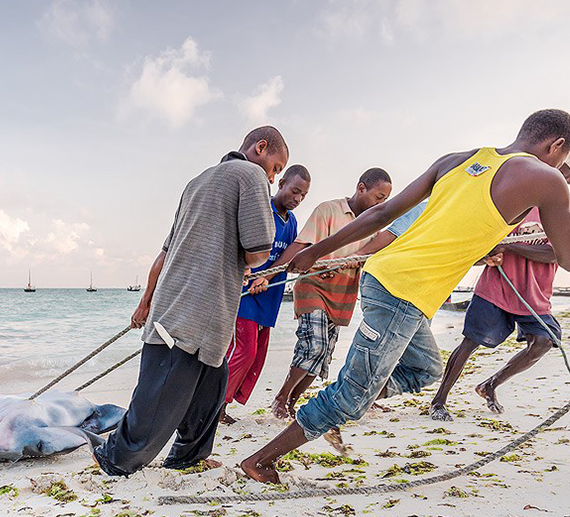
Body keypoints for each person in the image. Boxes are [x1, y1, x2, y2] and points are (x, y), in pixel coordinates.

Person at [240, 109, 570, 484]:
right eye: (561, 159)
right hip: (403, 292)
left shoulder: (459, 160)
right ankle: (261, 460)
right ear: (557, 146)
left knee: (426, 368)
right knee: (351, 398)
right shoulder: (548, 180)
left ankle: (343, 397)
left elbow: (384, 213)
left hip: (385, 279)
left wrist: (315, 250)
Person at [94, 126, 289, 476]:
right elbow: (258, 249)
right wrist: (250, 265)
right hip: (192, 311)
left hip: (191, 307)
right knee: (157, 402)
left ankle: (189, 457)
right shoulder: (250, 175)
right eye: (276, 168)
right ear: (261, 148)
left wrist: (146, 302)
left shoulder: (196, 182)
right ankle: (113, 457)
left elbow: (165, 252)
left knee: (211, 389)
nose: (273, 180)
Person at [429, 147, 570, 419]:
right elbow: (486, 240)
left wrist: (511, 248)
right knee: (470, 342)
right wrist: (491, 250)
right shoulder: (520, 196)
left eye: (561, 173)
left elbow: (556, 253)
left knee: (543, 341)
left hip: (535, 293)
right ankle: (438, 401)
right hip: (497, 286)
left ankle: (490, 384)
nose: (551, 174)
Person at [267, 169, 393, 420]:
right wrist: (269, 274)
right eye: (378, 197)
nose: (382, 204)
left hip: (343, 293)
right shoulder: (329, 210)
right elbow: (302, 245)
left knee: (323, 356)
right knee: (314, 345)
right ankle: (280, 398)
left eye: (385, 200)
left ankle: (291, 403)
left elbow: (373, 256)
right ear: (361, 188)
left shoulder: (376, 226)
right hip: (313, 286)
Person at [220, 164, 310, 424]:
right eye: (294, 191)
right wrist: (250, 272)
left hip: (271, 297)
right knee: (242, 351)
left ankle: (225, 403)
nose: (297, 199)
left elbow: (287, 257)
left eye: (303, 196)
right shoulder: (262, 210)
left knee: (257, 356)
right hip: (246, 294)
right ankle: (215, 406)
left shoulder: (291, 221)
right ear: (281, 183)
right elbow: (239, 244)